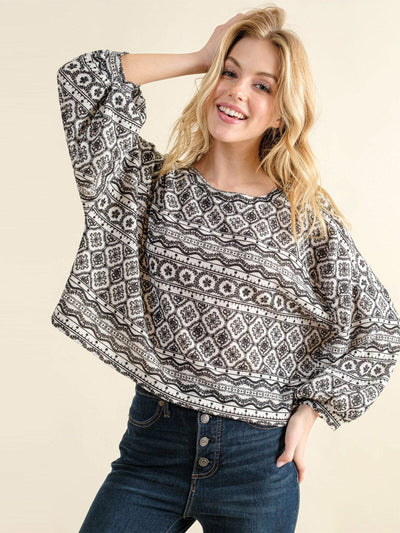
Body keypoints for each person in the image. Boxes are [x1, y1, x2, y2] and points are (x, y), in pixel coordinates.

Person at [51, 5, 400, 532]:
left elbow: (379, 327)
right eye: (230, 73)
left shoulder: (303, 217)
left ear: (281, 112)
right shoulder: (147, 186)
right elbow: (82, 82)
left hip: (256, 463)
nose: (237, 92)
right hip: (153, 450)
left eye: (263, 86)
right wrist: (199, 57)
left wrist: (311, 412)